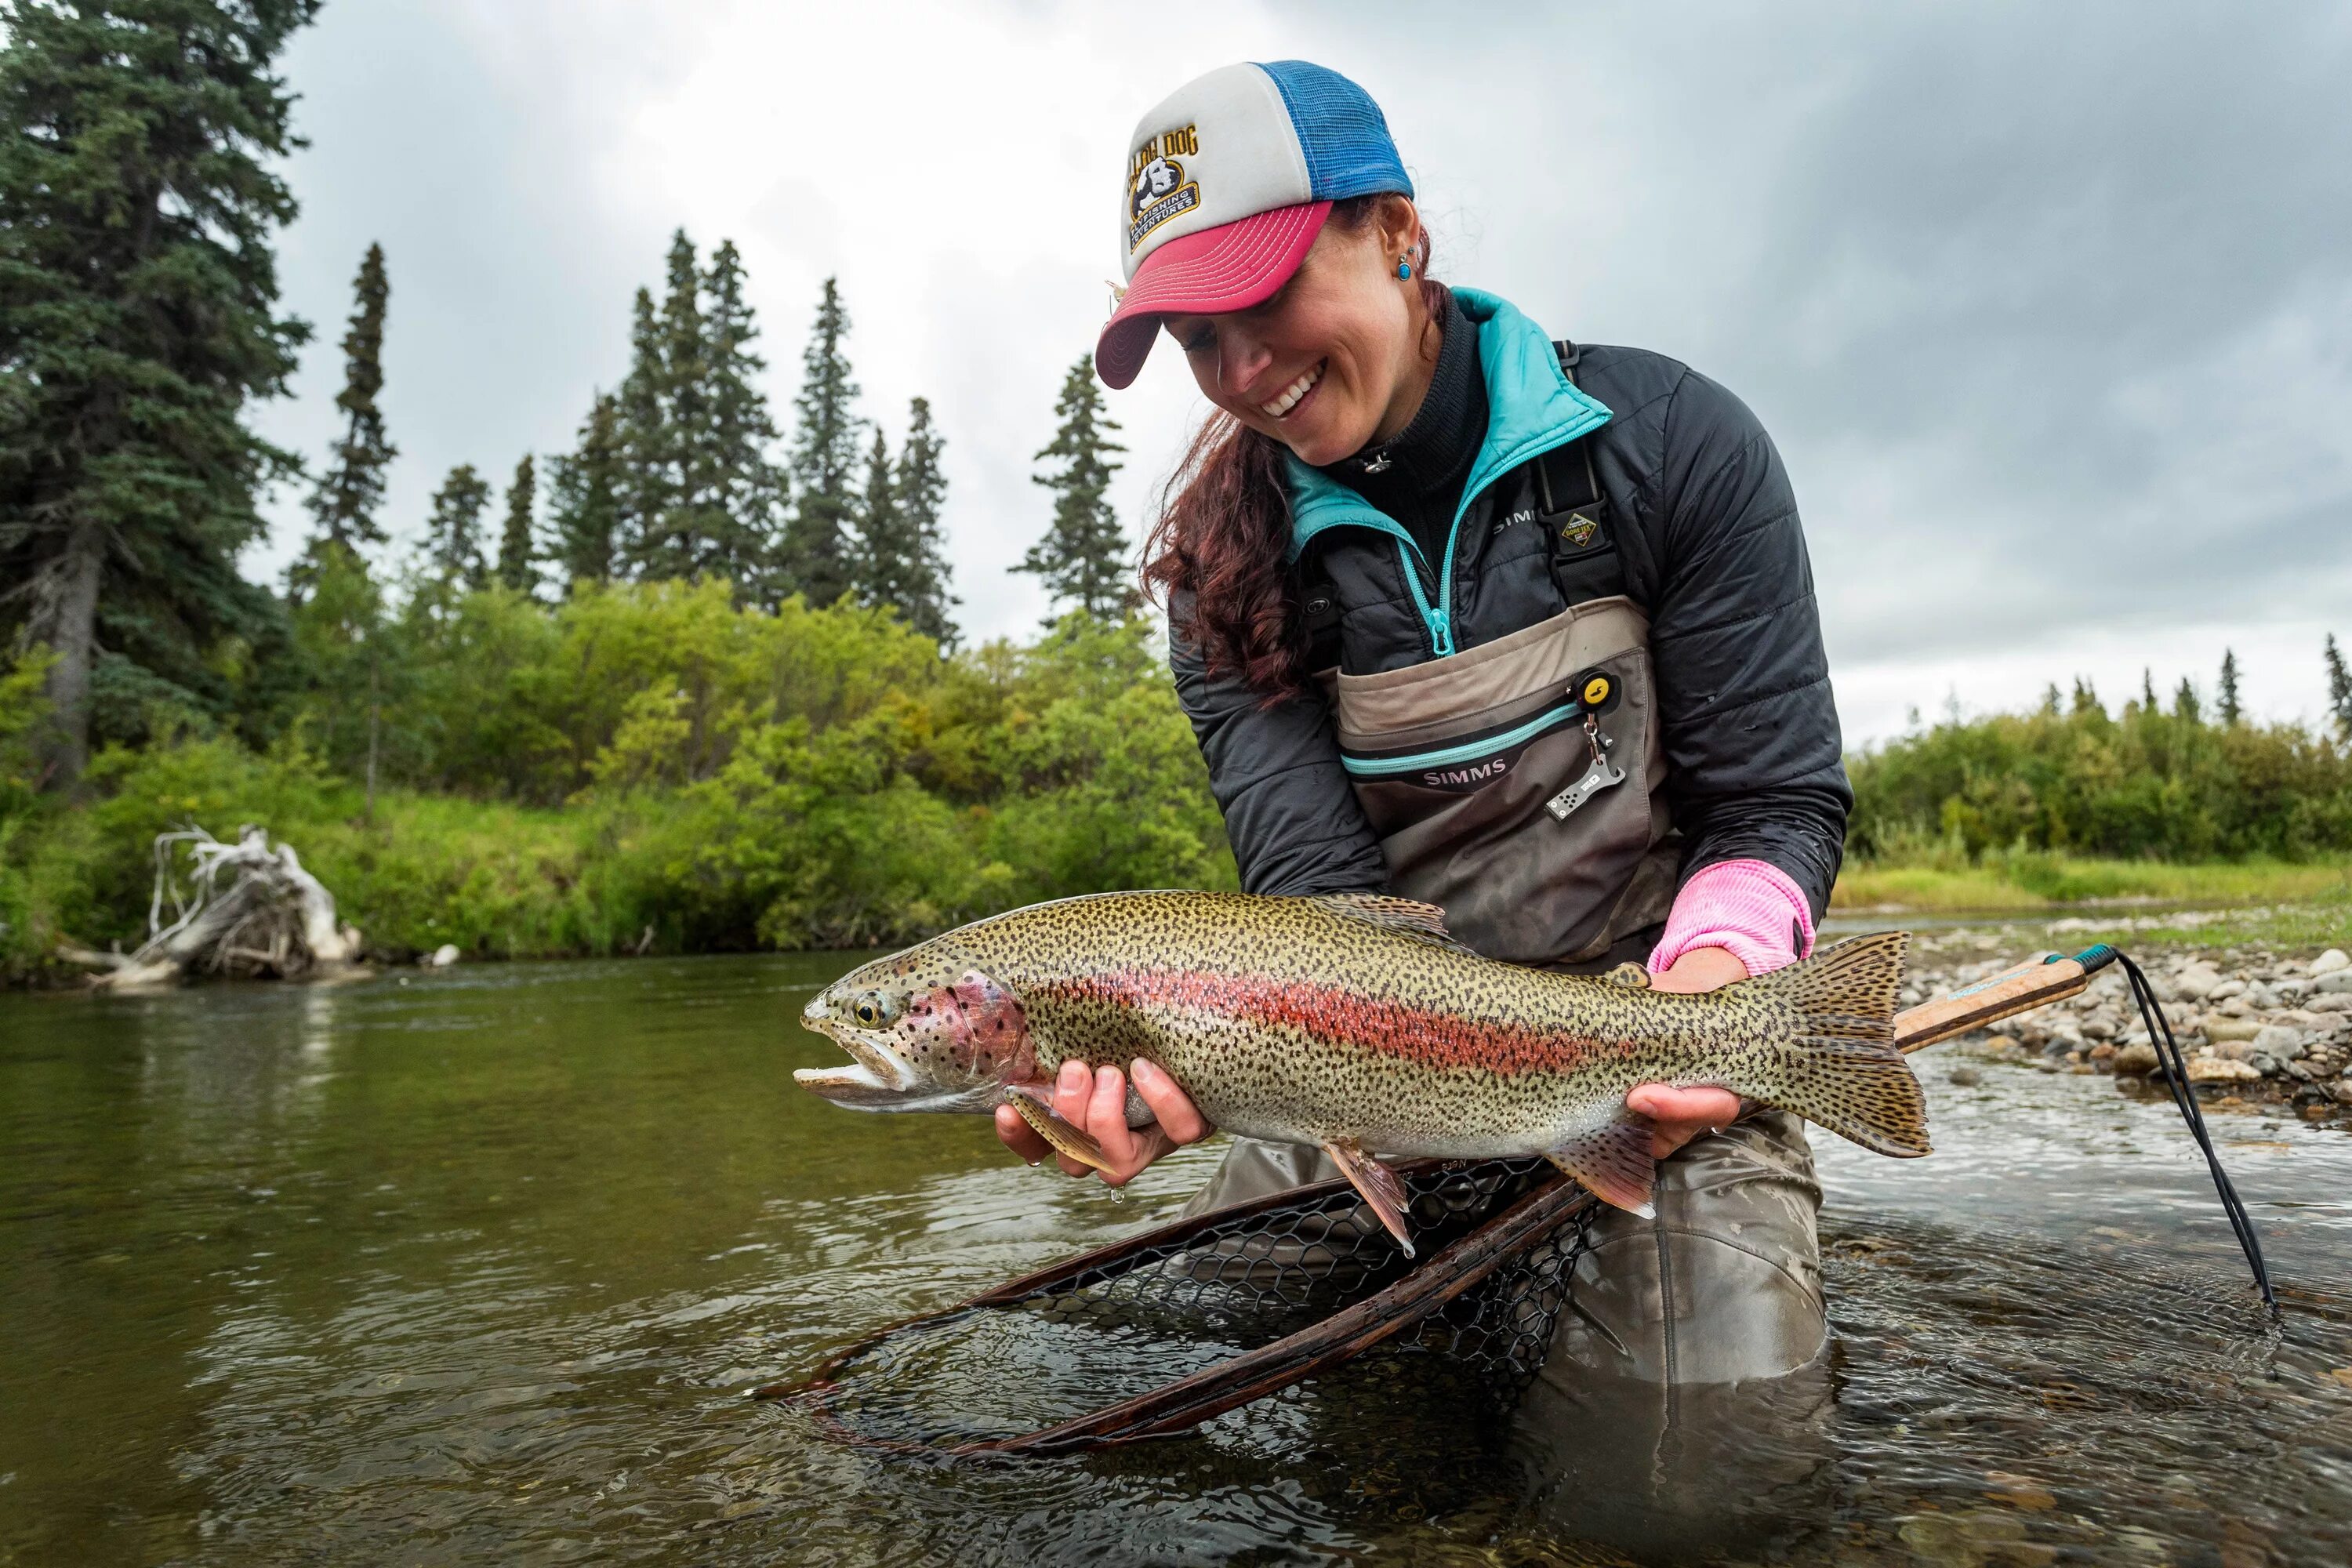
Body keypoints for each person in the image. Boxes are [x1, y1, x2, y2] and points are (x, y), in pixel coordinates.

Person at [993, 59, 1853, 1470]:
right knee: (1299, 1445)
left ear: (1397, 231)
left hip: (1644, 1041)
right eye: (1197, 341)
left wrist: (1714, 995)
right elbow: (1318, 900)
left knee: (1704, 1486)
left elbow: (1774, 801)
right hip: (1354, 1060)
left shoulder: (1675, 447)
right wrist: (1177, 1067)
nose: (1242, 370)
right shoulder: (1225, 571)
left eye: (1265, 297)